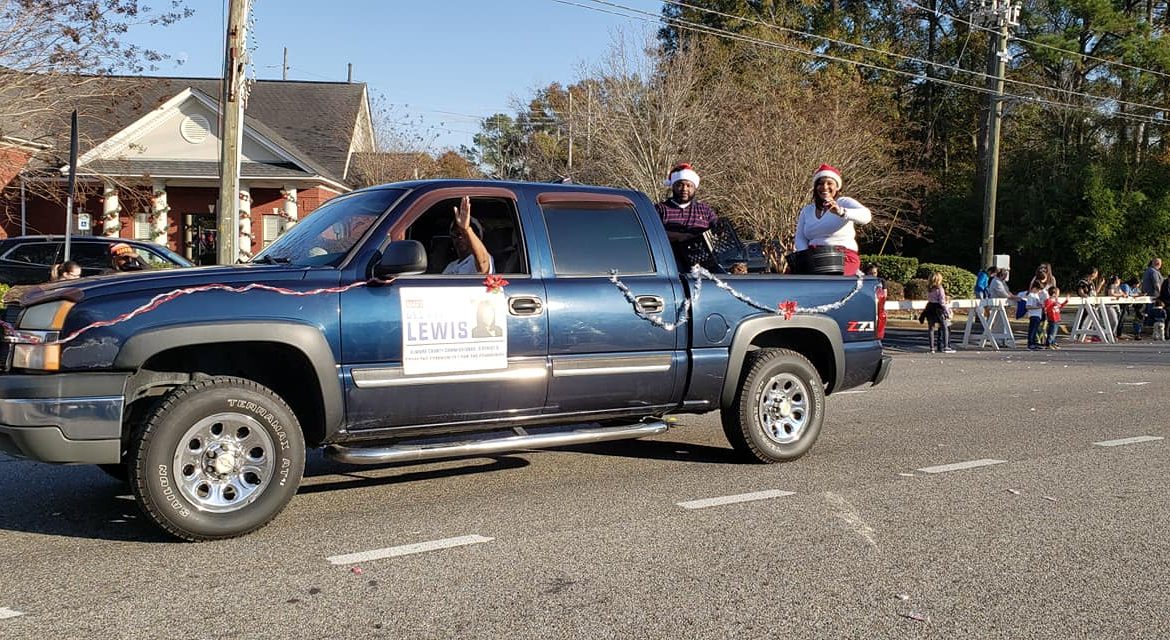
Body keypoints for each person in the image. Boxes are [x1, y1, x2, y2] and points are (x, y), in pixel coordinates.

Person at [794, 164, 871, 276]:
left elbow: (866, 216)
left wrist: (841, 212)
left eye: (829, 183)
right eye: (820, 183)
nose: (825, 187)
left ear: (837, 187)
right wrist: (807, 258)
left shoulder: (844, 202)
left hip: (842, 258)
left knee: (830, 279)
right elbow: (800, 238)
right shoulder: (807, 210)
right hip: (815, 258)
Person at [654, 162, 721, 272]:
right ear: (673, 186)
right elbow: (653, 234)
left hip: (703, 263)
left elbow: (718, 229)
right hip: (670, 263)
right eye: (680, 185)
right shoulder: (660, 209)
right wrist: (679, 236)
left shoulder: (705, 210)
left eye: (689, 185)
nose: (684, 189)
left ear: (694, 188)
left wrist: (717, 232)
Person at [443, 196, 493, 275]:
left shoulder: (483, 257)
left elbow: (483, 264)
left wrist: (466, 229)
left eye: (464, 234)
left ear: (477, 236)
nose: (460, 237)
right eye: (456, 234)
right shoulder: (451, 265)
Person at [919, 271, 955, 353]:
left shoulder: (929, 288)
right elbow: (942, 301)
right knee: (944, 326)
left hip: (930, 307)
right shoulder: (940, 289)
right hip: (938, 308)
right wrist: (946, 311)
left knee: (931, 328)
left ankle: (931, 348)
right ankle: (946, 346)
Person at [1024, 281, 1045, 350]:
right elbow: (1028, 306)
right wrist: (1038, 307)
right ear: (1034, 288)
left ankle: (1034, 343)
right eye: (1038, 289)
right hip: (1033, 315)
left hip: (1038, 315)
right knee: (1032, 330)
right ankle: (1030, 344)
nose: (1039, 291)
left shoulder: (1036, 295)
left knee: (1035, 330)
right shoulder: (1031, 295)